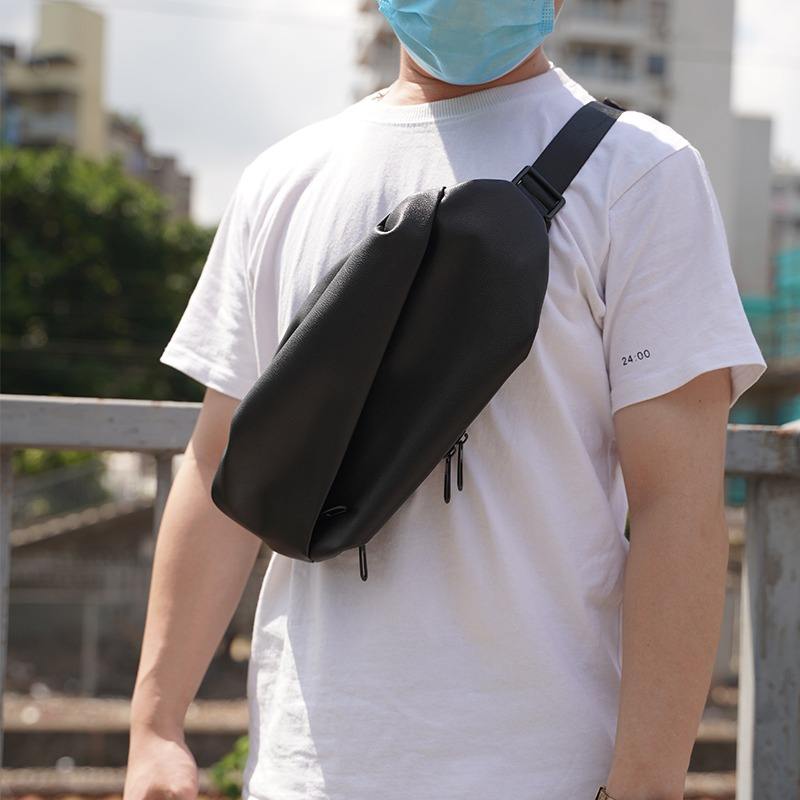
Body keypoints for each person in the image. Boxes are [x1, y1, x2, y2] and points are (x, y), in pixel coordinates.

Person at [124, 1, 767, 798]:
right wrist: (155, 728)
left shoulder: (642, 174)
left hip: (543, 773)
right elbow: (221, 464)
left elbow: (678, 507)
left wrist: (645, 782)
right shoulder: (284, 180)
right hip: (303, 769)